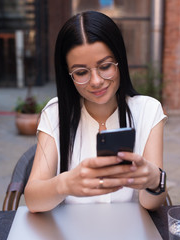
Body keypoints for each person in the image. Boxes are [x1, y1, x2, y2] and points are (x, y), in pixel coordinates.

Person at [24, 11, 167, 213]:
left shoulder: (148, 110)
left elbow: (150, 203)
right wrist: (64, 184)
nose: (96, 81)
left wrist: (154, 179)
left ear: (120, 62)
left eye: (105, 66)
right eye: (81, 72)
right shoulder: (55, 113)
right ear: (68, 75)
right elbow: (32, 200)